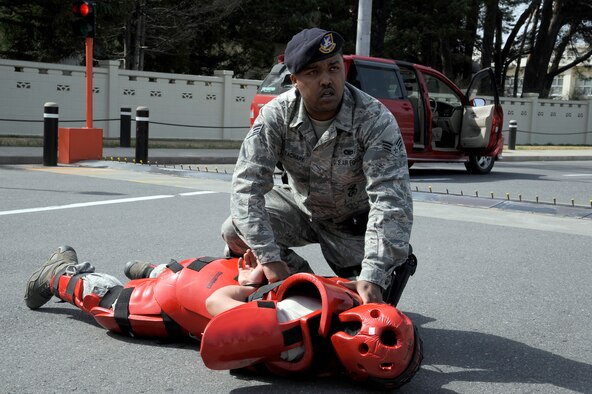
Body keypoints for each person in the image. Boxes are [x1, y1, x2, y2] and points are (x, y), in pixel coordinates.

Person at [24, 245, 422, 389]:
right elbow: (217, 307)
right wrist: (249, 291)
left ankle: (151, 268)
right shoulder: (292, 337)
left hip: (229, 269)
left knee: (179, 276)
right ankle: (61, 274)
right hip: (200, 294)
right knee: (114, 309)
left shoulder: (348, 294)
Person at [221, 28, 413, 304]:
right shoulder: (276, 115)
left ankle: (357, 279)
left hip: (353, 227)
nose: (326, 80)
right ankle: (299, 287)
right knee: (233, 230)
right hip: (303, 210)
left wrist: (374, 272)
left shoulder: (374, 119)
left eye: (333, 68)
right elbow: (246, 187)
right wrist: (269, 257)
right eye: (313, 72)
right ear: (294, 80)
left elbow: (391, 200)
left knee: (369, 299)